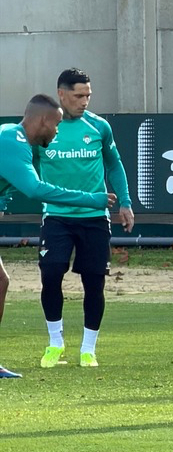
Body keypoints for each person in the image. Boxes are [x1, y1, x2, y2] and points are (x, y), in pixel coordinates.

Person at [1, 94, 116, 377]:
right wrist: (93, 199)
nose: (57, 132)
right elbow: (36, 190)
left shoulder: (12, 138)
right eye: (56, 126)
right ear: (43, 121)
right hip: (76, 209)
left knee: (0, 282)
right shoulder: (13, 143)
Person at [35, 68, 134, 369]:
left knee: (94, 283)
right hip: (56, 217)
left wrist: (126, 203)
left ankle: (88, 349)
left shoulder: (99, 127)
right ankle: (55, 343)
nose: (85, 101)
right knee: (51, 273)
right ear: (61, 94)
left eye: (88, 95)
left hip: (94, 218)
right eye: (78, 96)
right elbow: (23, 166)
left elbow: (114, 165)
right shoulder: (43, 128)